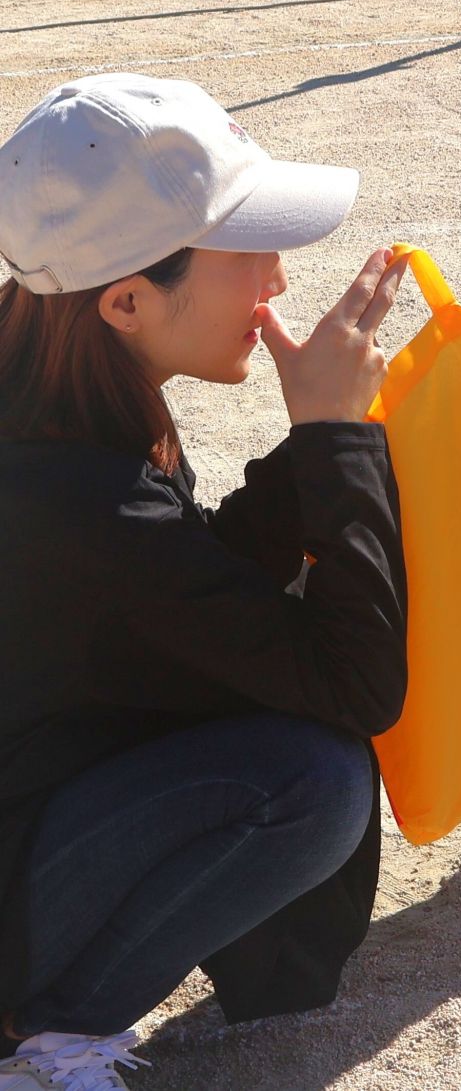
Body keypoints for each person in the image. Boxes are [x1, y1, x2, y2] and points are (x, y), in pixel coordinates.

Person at [0, 74, 409, 1089]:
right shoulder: (79, 497)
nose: (275, 278)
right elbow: (357, 686)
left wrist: (335, 442)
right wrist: (332, 440)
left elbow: (180, 584)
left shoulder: (48, 388)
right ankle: (46, 1034)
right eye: (247, 253)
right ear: (127, 298)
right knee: (312, 783)